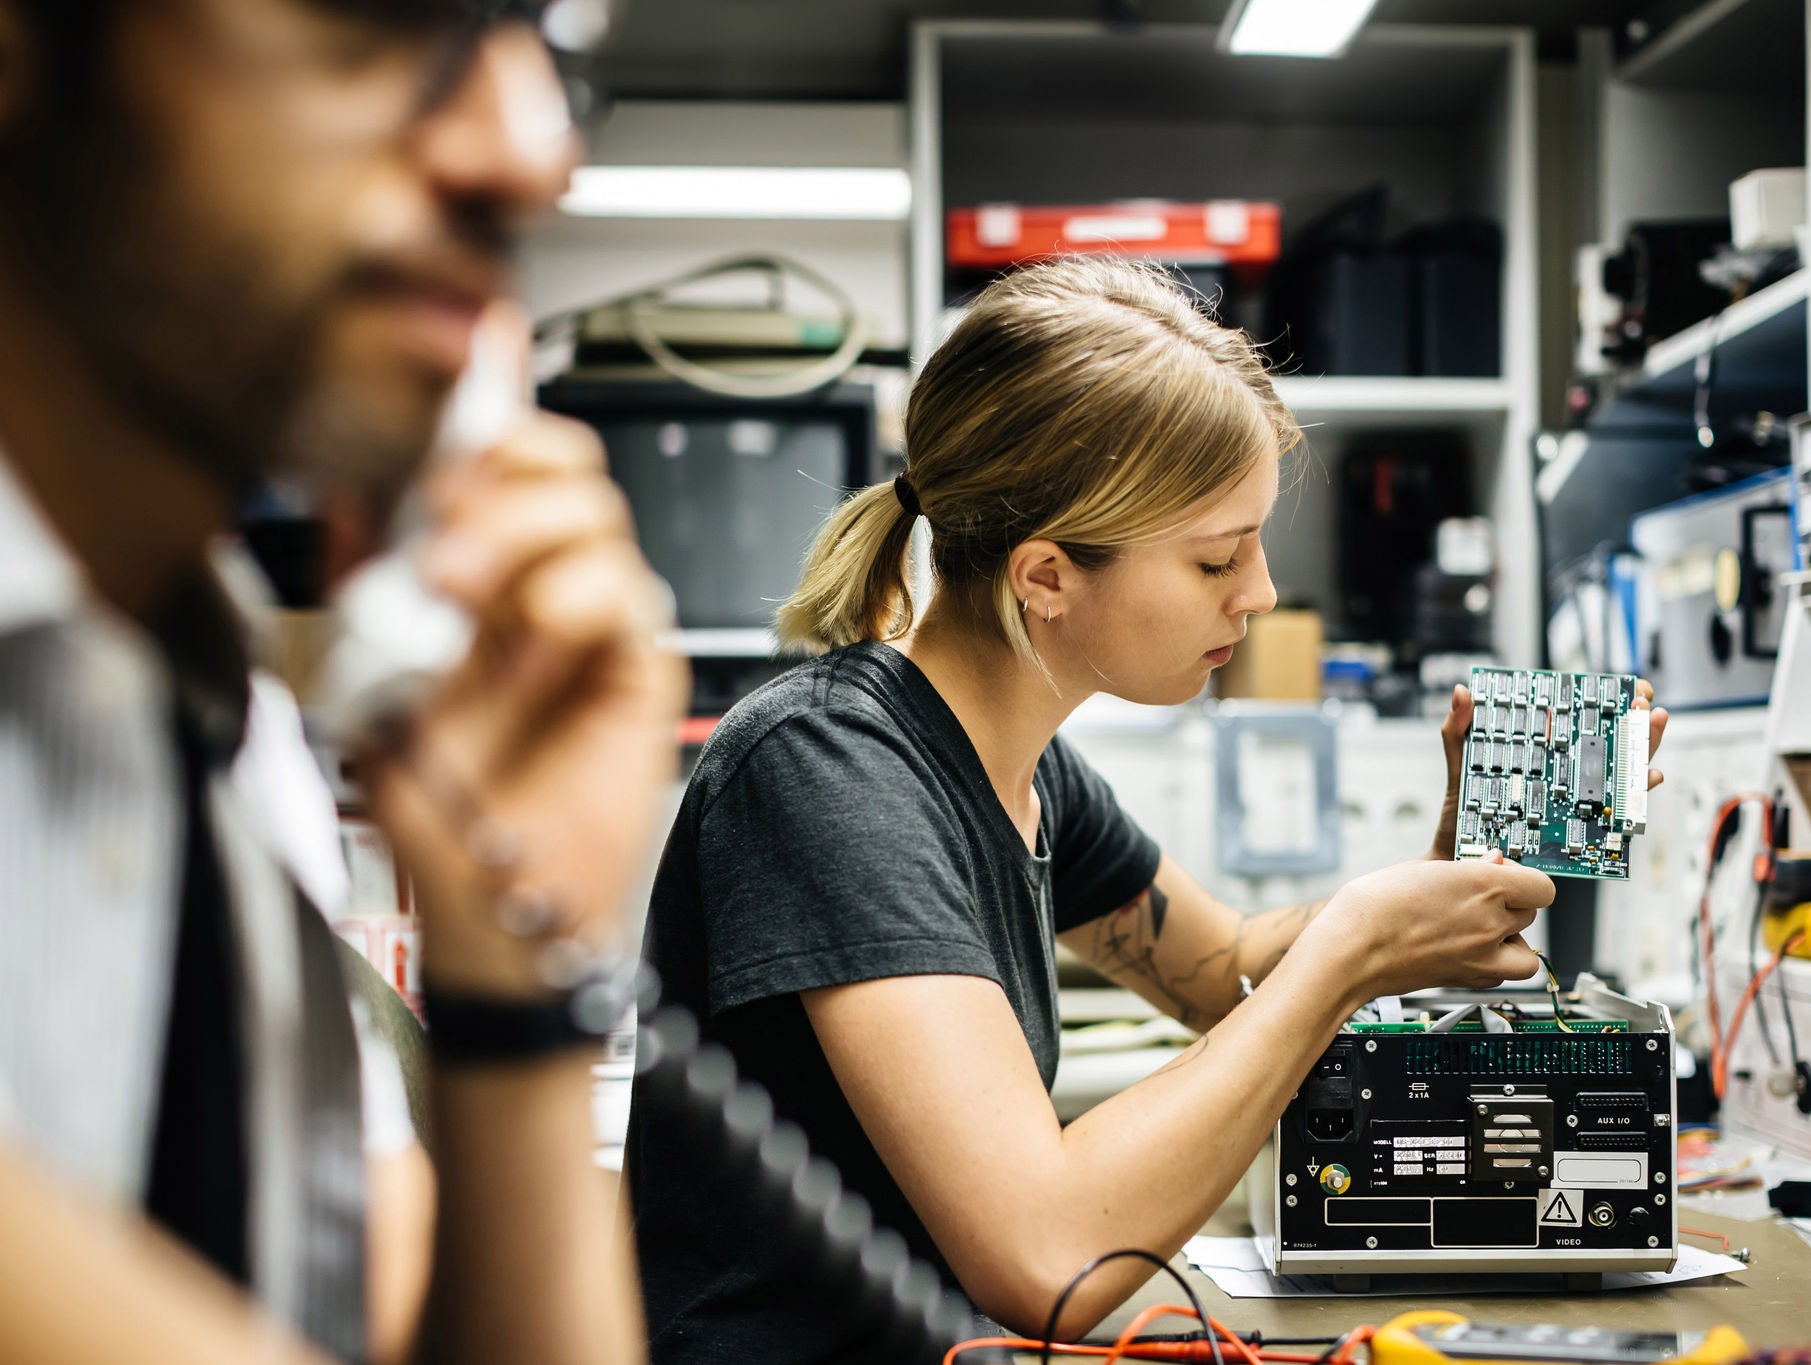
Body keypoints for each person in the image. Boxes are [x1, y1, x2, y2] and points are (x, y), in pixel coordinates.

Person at [627, 256, 1669, 1362]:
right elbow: (1048, 1261)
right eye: (1217, 556)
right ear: (1043, 578)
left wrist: (1451, 864)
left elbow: (1223, 971)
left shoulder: (1022, 767)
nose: (1260, 594)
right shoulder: (827, 766)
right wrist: (1351, 954)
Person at [0, 2, 679, 1363]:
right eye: (376, 16)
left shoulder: (221, 734)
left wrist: (520, 984)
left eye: (528, 34)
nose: (527, 152)